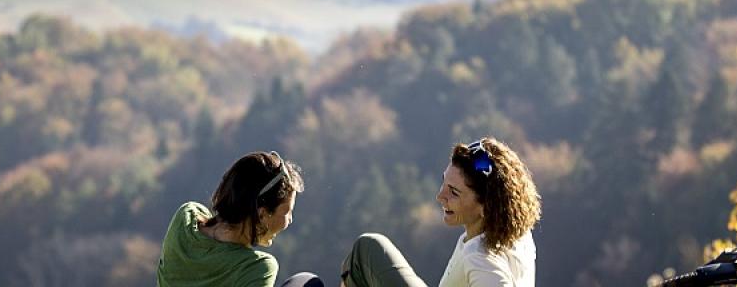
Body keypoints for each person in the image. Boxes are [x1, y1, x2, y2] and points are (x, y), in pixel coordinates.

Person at [339, 137, 542, 287]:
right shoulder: (517, 234)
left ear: (486, 207)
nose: (440, 196)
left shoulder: (480, 257)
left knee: (368, 249)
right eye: (444, 183)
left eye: (453, 192)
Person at [158, 151, 320, 286]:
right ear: (262, 214)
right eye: (287, 212)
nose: (290, 220)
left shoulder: (184, 219)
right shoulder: (255, 268)